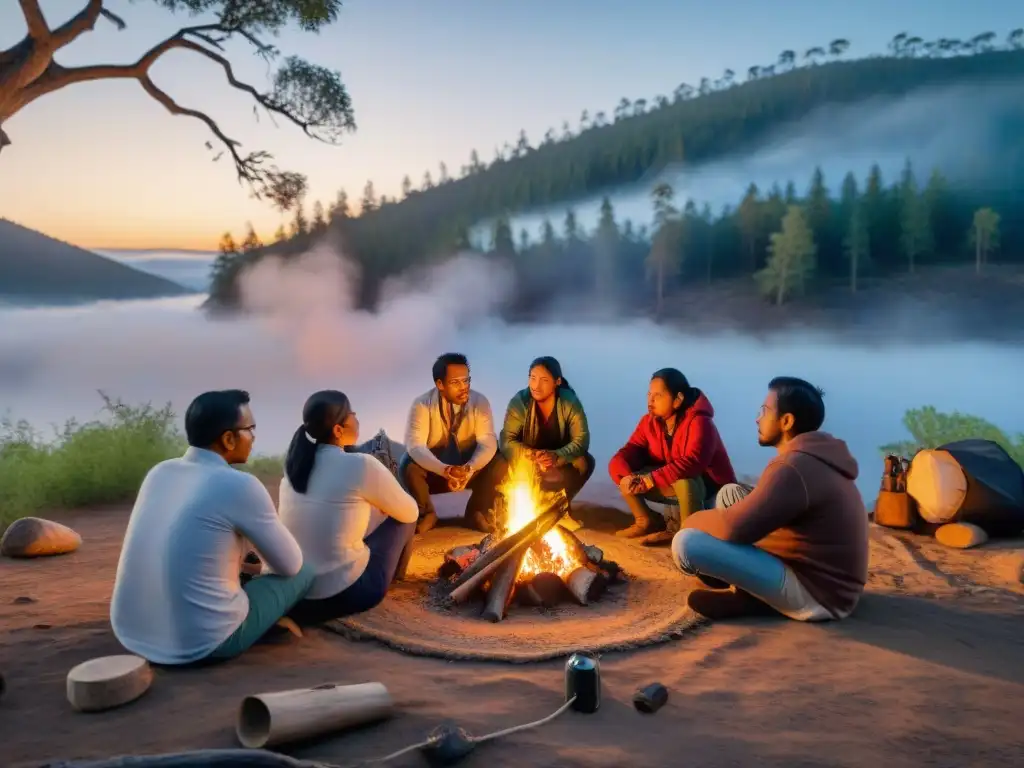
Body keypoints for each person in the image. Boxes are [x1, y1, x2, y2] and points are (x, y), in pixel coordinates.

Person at [110, 390, 314, 666]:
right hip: (204, 642)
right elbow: (290, 566)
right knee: (306, 569)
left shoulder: (159, 472)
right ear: (228, 438)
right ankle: (258, 622)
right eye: (250, 429)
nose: (254, 438)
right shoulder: (240, 485)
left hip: (130, 630)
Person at [672, 377, 868, 622]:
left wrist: (692, 520)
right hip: (836, 586)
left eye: (764, 411)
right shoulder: (815, 456)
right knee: (730, 494)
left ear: (786, 421)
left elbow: (735, 528)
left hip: (818, 595)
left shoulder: (793, 466)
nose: (757, 418)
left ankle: (757, 600)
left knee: (687, 543)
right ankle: (753, 593)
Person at [278, 390, 418, 625]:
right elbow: (410, 511)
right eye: (352, 414)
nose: (357, 419)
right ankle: (397, 578)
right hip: (345, 593)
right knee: (404, 518)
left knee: (363, 511)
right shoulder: (361, 464)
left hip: (296, 593)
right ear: (338, 430)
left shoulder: (294, 468)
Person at [608, 368, 737, 546]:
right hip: (679, 486)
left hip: (712, 494)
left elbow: (693, 462)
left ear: (677, 400)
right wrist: (625, 475)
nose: (650, 400)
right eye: (649, 394)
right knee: (627, 472)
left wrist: (650, 479)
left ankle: (690, 535)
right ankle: (646, 521)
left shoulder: (700, 422)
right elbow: (631, 449)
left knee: (684, 480)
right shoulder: (649, 422)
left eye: (658, 395)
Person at [400, 352, 506, 533]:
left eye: (466, 380)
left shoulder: (479, 402)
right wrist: (445, 470)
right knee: (408, 465)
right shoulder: (422, 404)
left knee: (500, 462)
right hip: (436, 471)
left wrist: (469, 468)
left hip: (468, 469)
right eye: (455, 382)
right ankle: (427, 513)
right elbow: (415, 446)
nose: (463, 387)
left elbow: (487, 441)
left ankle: (477, 511)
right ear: (440, 384)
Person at [499, 356, 595, 511]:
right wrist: (530, 454)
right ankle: (514, 505)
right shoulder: (520, 401)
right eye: (532, 378)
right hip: (527, 458)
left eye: (544, 380)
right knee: (499, 461)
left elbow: (581, 440)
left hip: (556, 460)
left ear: (557, 382)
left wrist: (556, 456)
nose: (536, 386)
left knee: (585, 462)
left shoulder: (569, 402)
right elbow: (506, 440)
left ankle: (559, 504)